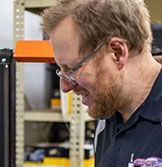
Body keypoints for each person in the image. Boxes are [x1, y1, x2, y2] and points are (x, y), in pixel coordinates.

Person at [41, 0, 162, 166]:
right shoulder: (107, 117)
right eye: (61, 70)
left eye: (72, 69)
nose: (65, 86)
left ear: (117, 53)